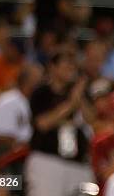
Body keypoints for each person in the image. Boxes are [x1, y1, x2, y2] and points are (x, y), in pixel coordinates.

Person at [24, 49, 94, 196]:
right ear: (53, 67)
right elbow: (42, 123)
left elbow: (92, 119)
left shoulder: (78, 93)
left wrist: (79, 97)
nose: (70, 70)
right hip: (47, 161)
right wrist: (71, 104)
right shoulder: (42, 92)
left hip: (77, 162)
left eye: (72, 67)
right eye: (66, 66)